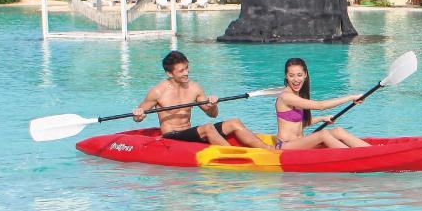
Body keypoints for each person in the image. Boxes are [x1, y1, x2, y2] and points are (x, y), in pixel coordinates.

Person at [133, 50, 270, 148]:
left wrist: (213, 105)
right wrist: (139, 115)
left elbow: (213, 114)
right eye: (181, 71)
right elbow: (138, 117)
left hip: (188, 132)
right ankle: (236, 156)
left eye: (187, 68)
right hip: (171, 136)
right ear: (169, 73)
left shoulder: (194, 88)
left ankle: (269, 150)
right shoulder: (158, 91)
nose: (186, 72)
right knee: (208, 128)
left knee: (234, 122)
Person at [273, 57, 371, 149]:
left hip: (299, 142)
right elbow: (321, 106)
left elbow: (298, 124)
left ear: (305, 75)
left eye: (299, 75)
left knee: (338, 131)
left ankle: (372, 151)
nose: (296, 79)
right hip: (285, 146)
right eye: (291, 75)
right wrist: (350, 97)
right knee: (323, 134)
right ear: (286, 76)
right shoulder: (286, 96)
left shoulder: (299, 95)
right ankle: (355, 157)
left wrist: (322, 118)